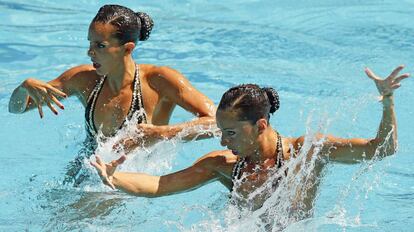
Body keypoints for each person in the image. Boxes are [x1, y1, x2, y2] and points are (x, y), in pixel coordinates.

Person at [91, 65, 409, 216]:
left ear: (259, 125)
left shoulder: (309, 152)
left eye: (230, 133)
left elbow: (381, 149)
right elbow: (161, 186)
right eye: (221, 132)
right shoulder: (224, 166)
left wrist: (387, 101)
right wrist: (114, 177)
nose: (223, 142)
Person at [8, 4, 216, 185]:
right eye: (90, 43)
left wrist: (161, 133)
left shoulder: (158, 81)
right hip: (86, 174)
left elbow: (217, 122)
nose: (90, 52)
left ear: (127, 49)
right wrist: (24, 87)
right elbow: (16, 109)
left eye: (100, 46)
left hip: (136, 179)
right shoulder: (84, 79)